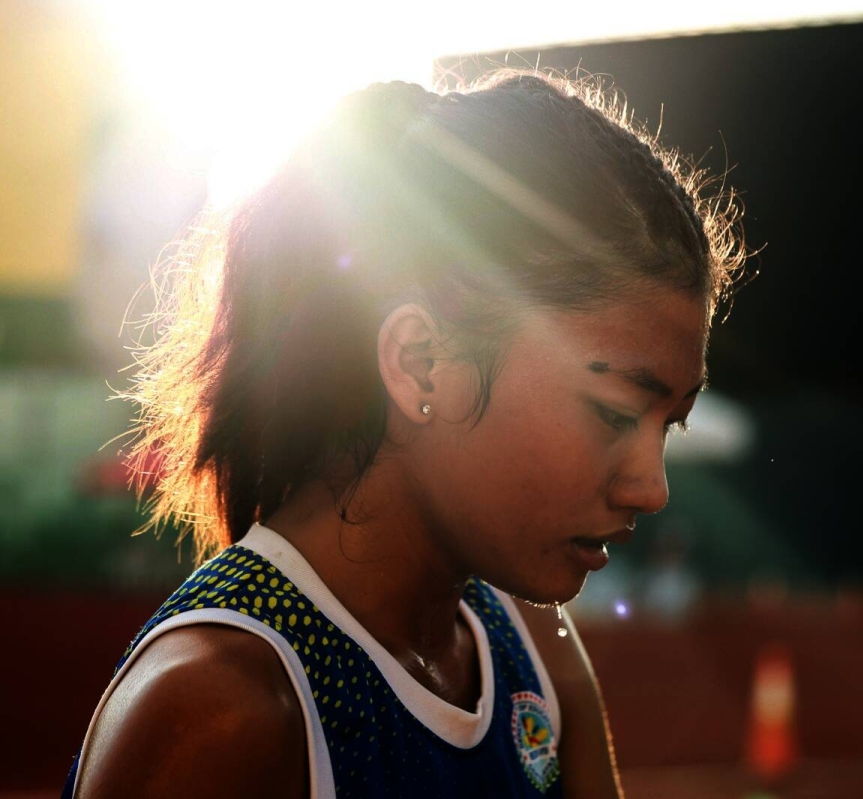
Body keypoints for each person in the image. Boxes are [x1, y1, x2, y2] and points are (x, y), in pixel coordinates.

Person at [62, 69, 747, 798]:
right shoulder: (219, 711)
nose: (652, 485)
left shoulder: (533, 649)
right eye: (613, 412)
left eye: (668, 424)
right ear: (420, 365)